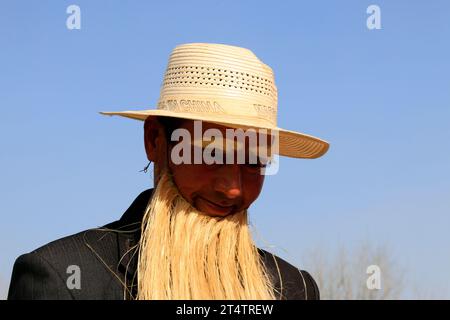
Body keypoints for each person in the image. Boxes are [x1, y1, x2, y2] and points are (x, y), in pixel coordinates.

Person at [8, 43, 329, 300]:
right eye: (211, 152)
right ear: (155, 141)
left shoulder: (293, 289)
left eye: (254, 161)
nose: (233, 187)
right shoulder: (62, 277)